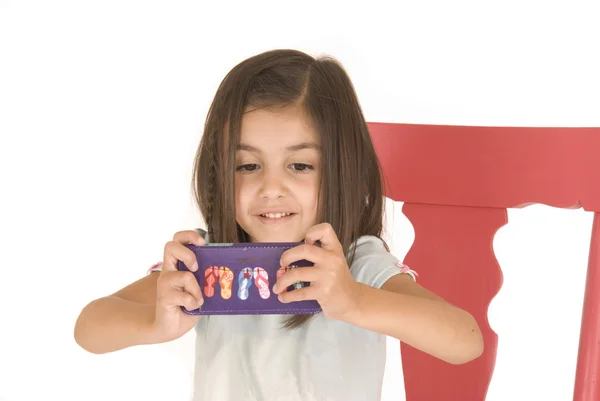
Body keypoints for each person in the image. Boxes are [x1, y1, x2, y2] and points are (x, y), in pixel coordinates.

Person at [74, 49, 483, 401]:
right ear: (220, 173)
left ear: (342, 170)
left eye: (300, 165)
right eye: (248, 166)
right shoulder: (205, 261)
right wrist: (155, 323)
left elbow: (464, 340)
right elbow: (89, 327)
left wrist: (355, 300)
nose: (271, 188)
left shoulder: (355, 264)